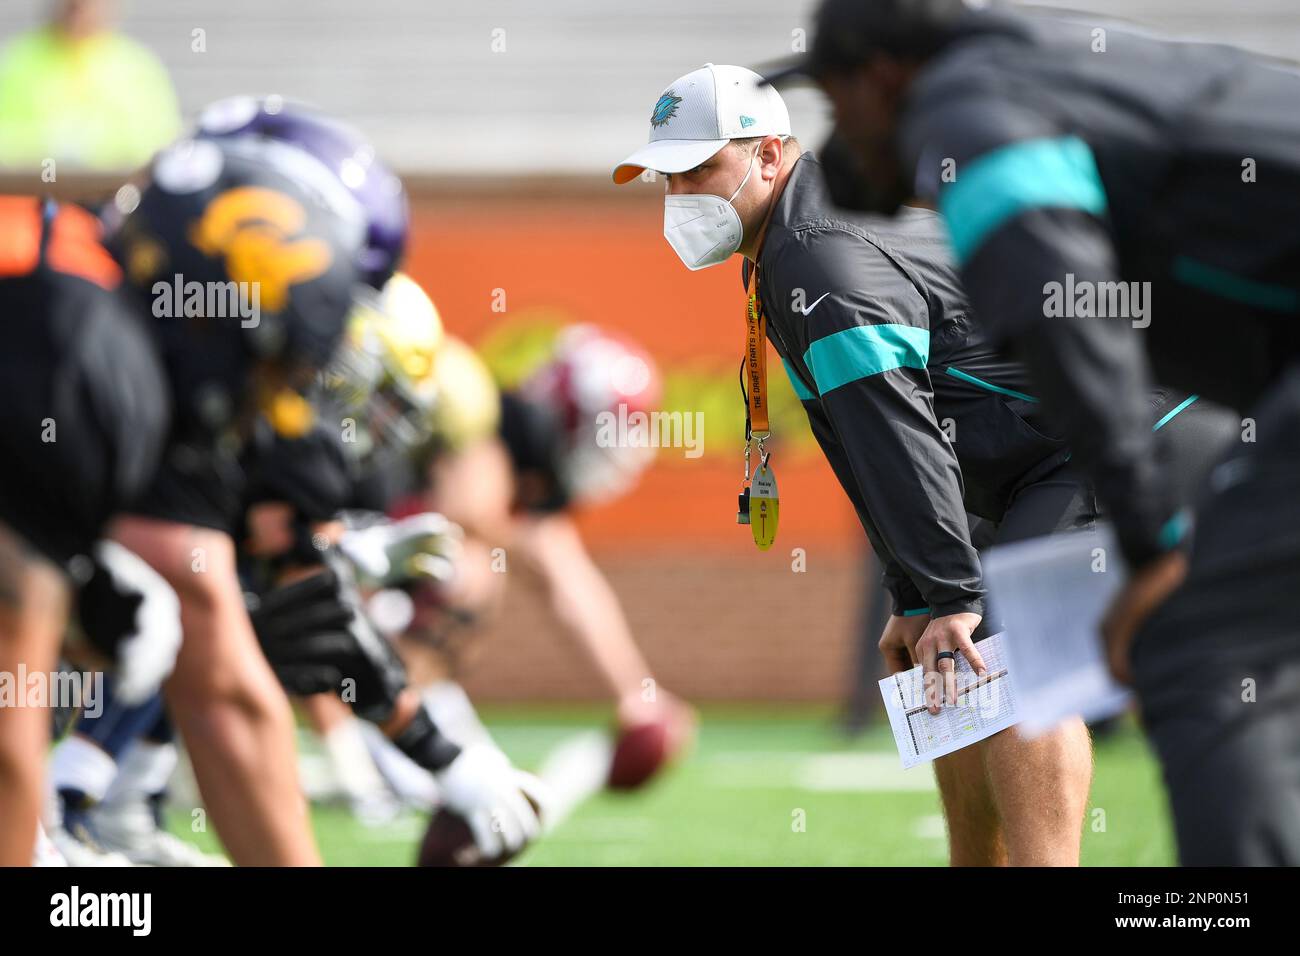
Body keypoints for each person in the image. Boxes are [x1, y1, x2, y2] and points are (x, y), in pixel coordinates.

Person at [614, 63, 1235, 865]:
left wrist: (948, 589)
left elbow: (896, 434)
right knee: (938, 656)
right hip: (1049, 445)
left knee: (1004, 651)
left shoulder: (819, 255)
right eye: (668, 177)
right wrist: (917, 592)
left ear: (770, 156)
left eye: (700, 168)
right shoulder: (789, 250)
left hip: (1130, 424)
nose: (681, 195)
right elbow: (861, 436)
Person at [788, 0, 1300, 864]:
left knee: (1198, 644)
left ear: (879, 76)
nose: (835, 132)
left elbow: (1069, 321)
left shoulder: (969, 111)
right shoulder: (1027, 59)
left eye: (835, 102)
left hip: (1207, 412)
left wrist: (1149, 546)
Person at [0, 0, 180, 170]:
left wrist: (96, 148)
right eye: (74, 5)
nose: (81, 11)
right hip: (28, 193)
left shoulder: (136, 65)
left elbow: (158, 139)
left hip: (113, 195)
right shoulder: (17, 60)